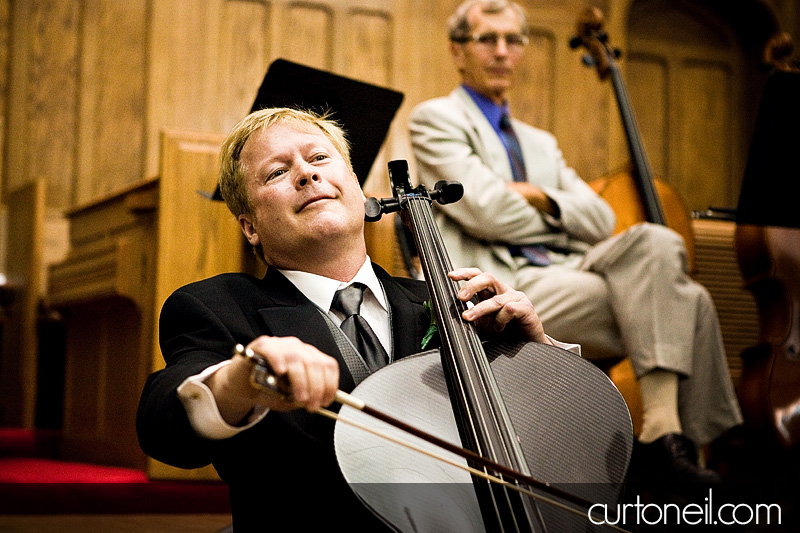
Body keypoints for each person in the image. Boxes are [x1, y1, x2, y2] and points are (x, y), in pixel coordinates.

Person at [136, 107, 569, 531]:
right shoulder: (218, 306)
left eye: (320, 157)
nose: (307, 174)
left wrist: (537, 355)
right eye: (276, 172)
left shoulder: (452, 303)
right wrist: (240, 379)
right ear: (250, 227)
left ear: (360, 191)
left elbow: (552, 440)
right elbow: (163, 425)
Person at [408, 0, 743, 487]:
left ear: (523, 51)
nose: (502, 52)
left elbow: (601, 216)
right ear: (458, 52)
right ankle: (690, 448)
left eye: (512, 40)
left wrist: (541, 196)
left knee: (655, 242)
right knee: (687, 300)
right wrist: (561, 217)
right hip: (503, 287)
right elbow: (485, 211)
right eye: (487, 39)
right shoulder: (434, 119)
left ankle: (665, 439)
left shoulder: (540, 142)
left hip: (569, 272)